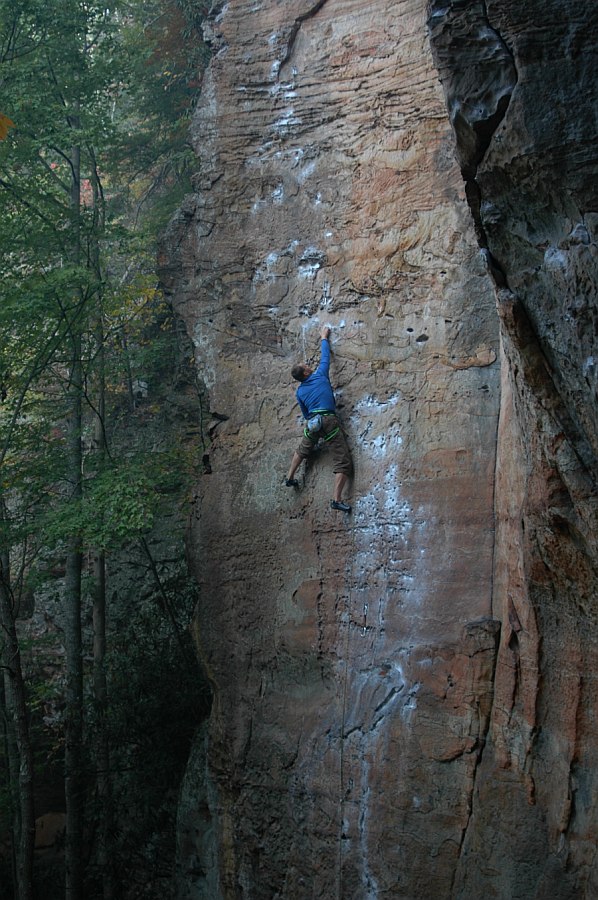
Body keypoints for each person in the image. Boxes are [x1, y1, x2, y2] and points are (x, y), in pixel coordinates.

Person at [286, 326, 353, 512]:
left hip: (313, 422)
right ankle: (336, 499)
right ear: (306, 373)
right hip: (329, 421)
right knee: (343, 461)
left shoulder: (300, 391)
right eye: (306, 366)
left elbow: (306, 414)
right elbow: (326, 357)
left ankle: (290, 477)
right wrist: (324, 337)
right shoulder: (320, 376)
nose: (308, 365)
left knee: (303, 448)